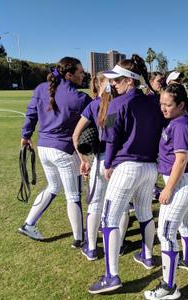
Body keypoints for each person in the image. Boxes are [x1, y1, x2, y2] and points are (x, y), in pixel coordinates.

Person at [88, 55, 163, 294]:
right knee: (143, 213)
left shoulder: (116, 104)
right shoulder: (154, 101)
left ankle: (112, 276)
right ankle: (148, 255)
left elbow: (110, 139)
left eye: (118, 80)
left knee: (109, 219)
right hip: (150, 166)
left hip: (126, 166)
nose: (113, 84)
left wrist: (107, 164)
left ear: (130, 81)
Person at [18, 57, 91, 248]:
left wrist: (25, 135)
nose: (83, 75)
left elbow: (31, 113)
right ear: (69, 74)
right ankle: (79, 238)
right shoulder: (80, 98)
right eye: (80, 72)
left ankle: (28, 223)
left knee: (52, 187)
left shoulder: (41, 88)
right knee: (73, 195)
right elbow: (101, 116)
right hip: (64, 150)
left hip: (44, 148)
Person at [144, 83, 188, 300]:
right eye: (161, 104)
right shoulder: (177, 121)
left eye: (168, 105)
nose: (163, 108)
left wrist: (168, 188)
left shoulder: (181, 126)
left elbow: (182, 159)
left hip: (182, 183)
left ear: (181, 105)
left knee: (166, 233)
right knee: (184, 224)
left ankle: (169, 287)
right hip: (182, 182)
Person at [72, 72, 129, 261]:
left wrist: (83, 160)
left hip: (103, 160)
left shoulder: (94, 105)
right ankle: (118, 245)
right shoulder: (125, 103)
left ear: (98, 85)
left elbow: (75, 136)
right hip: (123, 161)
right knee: (121, 206)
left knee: (96, 204)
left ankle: (91, 248)